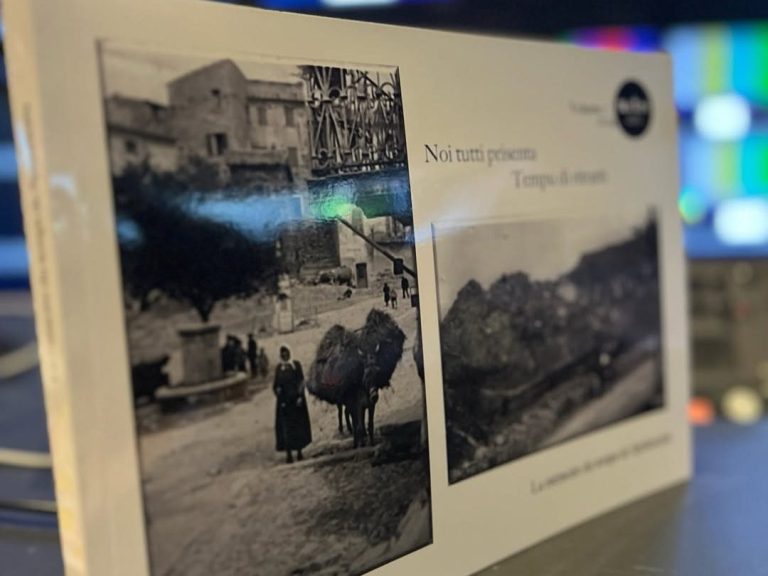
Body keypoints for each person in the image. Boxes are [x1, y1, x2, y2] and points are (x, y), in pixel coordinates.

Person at [273, 345, 312, 463]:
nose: (284, 355)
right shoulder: (279, 368)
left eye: (286, 353)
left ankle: (299, 451)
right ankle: (289, 454)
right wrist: (277, 390)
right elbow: (276, 384)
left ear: (289, 353)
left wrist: (300, 397)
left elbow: (301, 382)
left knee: (297, 426)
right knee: (286, 428)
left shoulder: (296, 365)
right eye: (282, 353)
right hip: (284, 403)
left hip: (296, 402)